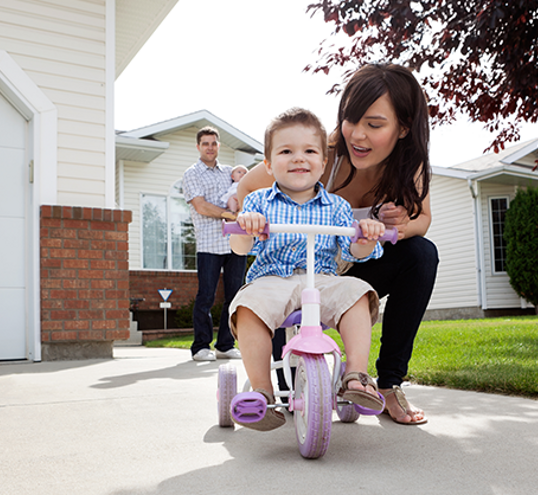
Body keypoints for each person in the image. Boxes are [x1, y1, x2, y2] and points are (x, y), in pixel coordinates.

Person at [237, 63, 438, 425]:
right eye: (350, 119)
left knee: (422, 254)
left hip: (347, 265)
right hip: (285, 268)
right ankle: (263, 389)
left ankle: (383, 383)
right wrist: (252, 221)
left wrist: (399, 227)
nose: (357, 135)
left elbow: (423, 220)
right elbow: (248, 188)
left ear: (403, 128)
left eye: (374, 125)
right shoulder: (316, 155)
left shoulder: (409, 166)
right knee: (286, 383)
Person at [228, 108, 386, 431]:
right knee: (247, 306)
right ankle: (262, 392)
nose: (299, 158)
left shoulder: (337, 207)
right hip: (272, 279)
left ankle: (355, 376)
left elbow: (355, 250)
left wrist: (366, 237)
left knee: (357, 292)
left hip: (324, 279)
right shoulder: (259, 203)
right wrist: (245, 227)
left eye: (310, 151)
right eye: (286, 151)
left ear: (323, 163)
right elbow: (240, 248)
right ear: (269, 164)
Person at [182, 126, 247, 362]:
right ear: (198, 147)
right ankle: (200, 346)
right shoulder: (192, 173)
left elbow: (245, 189)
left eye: (214, 143)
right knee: (206, 296)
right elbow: (201, 206)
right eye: (205, 143)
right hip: (209, 243)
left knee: (234, 296)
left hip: (236, 241)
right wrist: (230, 215)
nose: (210, 147)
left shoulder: (230, 172)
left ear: (218, 146)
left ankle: (225, 344)